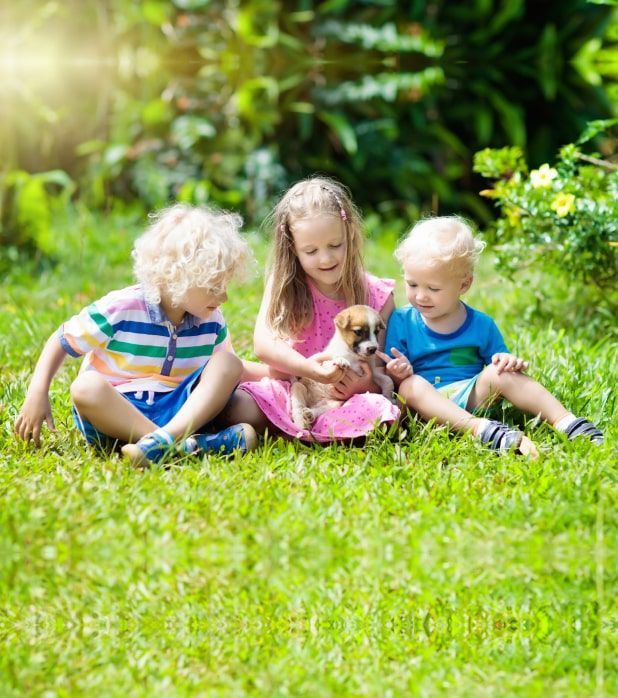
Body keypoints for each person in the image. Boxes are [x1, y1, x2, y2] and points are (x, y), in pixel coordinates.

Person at [14, 203, 267, 467]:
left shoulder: (210, 318)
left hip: (179, 410)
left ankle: (161, 446)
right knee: (85, 387)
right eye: (214, 286)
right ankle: (181, 445)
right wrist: (37, 392)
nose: (224, 296)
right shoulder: (121, 307)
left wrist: (289, 372)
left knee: (229, 366)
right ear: (177, 277)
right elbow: (62, 340)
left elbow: (230, 370)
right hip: (117, 413)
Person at [381, 215, 604, 457]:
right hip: (426, 408)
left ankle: (565, 421)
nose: (420, 296)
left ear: (464, 285)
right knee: (411, 386)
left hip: (471, 397)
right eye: (412, 285)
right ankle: (481, 430)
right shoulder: (402, 321)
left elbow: (498, 357)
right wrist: (397, 372)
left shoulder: (481, 325)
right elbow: (391, 376)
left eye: (433, 288)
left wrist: (507, 361)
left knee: (501, 373)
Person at [222, 176, 400, 441]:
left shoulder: (376, 295)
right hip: (292, 385)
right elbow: (264, 345)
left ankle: (313, 425)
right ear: (293, 248)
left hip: (346, 397)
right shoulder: (285, 285)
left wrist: (363, 384)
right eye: (311, 251)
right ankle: (311, 424)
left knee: (379, 412)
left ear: (349, 233)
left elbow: (378, 364)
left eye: (335, 245)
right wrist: (310, 371)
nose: (326, 258)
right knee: (238, 406)